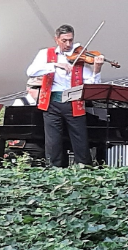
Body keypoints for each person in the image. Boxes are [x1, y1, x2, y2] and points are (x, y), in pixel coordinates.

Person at [26, 24, 105, 167]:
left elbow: (92, 84)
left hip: (74, 101)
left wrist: (97, 69)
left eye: (71, 40)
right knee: (53, 141)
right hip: (52, 102)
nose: (68, 44)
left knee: (80, 140)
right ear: (56, 39)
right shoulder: (45, 53)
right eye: (64, 41)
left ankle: (84, 169)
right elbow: (31, 72)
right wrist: (55, 65)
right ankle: (54, 170)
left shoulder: (80, 56)